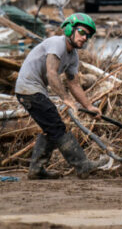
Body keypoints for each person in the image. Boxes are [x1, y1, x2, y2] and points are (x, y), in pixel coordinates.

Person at [15, 13, 107, 179]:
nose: (85, 38)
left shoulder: (73, 56)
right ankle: (82, 165)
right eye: (82, 32)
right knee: (57, 127)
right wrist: (66, 99)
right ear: (70, 29)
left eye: (88, 35)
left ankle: (37, 170)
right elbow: (52, 74)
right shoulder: (57, 44)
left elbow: (74, 84)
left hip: (35, 90)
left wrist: (89, 106)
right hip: (28, 89)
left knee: (51, 127)